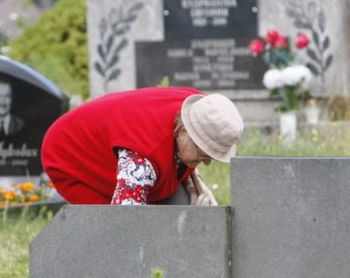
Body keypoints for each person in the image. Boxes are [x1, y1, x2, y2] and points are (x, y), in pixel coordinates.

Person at [41, 87, 243, 205]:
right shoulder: (141, 161)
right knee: (105, 230)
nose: (206, 163)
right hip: (69, 156)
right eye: (203, 152)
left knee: (179, 206)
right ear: (183, 131)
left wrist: (194, 185)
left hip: (124, 143)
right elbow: (128, 222)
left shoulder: (201, 108)